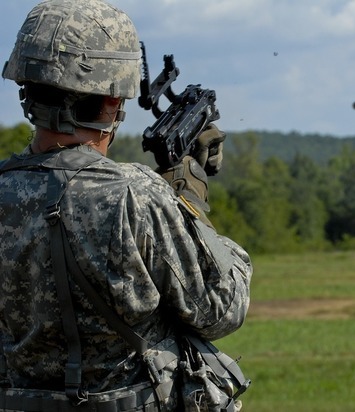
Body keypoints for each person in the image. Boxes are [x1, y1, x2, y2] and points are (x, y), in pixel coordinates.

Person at [0, 0, 252, 411]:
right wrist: (189, 205)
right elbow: (220, 306)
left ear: (27, 89)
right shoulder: (134, 194)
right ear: (112, 100)